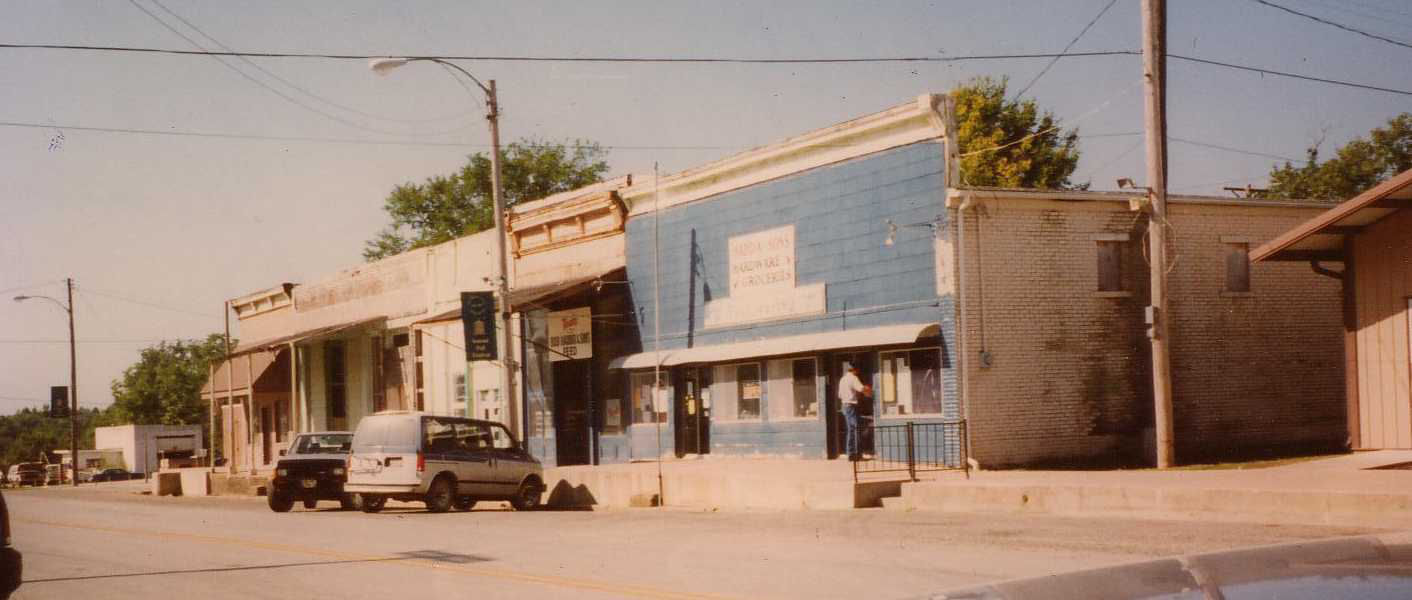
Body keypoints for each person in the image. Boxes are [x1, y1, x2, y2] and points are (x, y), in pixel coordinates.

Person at [838, 364, 871, 460]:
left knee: (851, 430)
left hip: (844, 405)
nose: (858, 372)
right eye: (858, 370)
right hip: (851, 405)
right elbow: (861, 388)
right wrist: (869, 389)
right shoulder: (853, 378)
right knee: (856, 429)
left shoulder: (842, 379)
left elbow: (839, 395)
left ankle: (850, 453)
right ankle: (856, 454)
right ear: (855, 370)